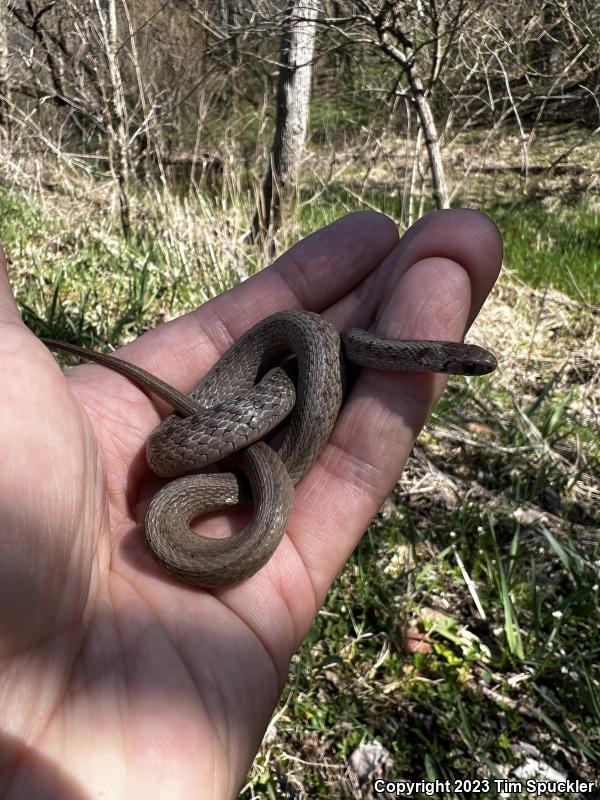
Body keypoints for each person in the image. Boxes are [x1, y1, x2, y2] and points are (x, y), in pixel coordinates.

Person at [0, 209, 502, 798]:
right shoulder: (324, 349)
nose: (467, 369)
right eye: (464, 364)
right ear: (443, 359)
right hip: (213, 447)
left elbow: (347, 356)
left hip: (267, 423)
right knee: (297, 372)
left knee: (316, 364)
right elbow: (168, 454)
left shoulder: (351, 349)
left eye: (465, 366)